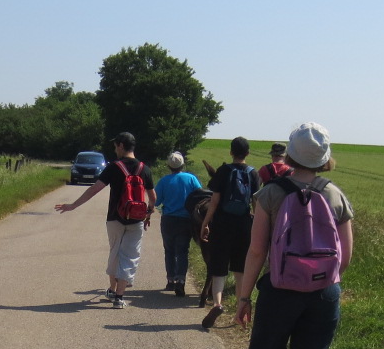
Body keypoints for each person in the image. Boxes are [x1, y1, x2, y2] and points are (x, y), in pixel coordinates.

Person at [234, 122, 354, 349]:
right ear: (324, 158)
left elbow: (256, 251)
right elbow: (344, 257)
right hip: (323, 294)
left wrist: (244, 297)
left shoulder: (270, 193)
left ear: (289, 154)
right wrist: (321, 283)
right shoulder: (336, 196)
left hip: (280, 291)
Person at [54, 131, 155, 308]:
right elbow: (152, 197)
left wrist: (73, 205)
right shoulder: (144, 169)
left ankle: (112, 288)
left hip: (115, 218)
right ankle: (119, 297)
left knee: (115, 251)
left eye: (115, 146)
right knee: (130, 256)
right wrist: (148, 213)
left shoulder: (115, 167)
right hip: (136, 220)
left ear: (121, 146)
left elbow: (95, 189)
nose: (115, 149)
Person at [198, 136, 261, 329]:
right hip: (243, 225)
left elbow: (214, 202)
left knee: (219, 268)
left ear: (231, 152)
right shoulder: (253, 173)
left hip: (222, 224)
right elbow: (255, 203)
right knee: (240, 269)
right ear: (248, 153)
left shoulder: (223, 171)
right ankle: (239, 313)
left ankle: (217, 303)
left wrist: (205, 223)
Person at [153, 152, 203, 297]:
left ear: (169, 166)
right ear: (183, 164)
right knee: (182, 251)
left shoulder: (164, 181)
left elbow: (156, 201)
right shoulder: (191, 179)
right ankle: (180, 280)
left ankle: (170, 280)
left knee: (169, 250)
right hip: (186, 220)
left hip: (168, 219)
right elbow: (200, 195)